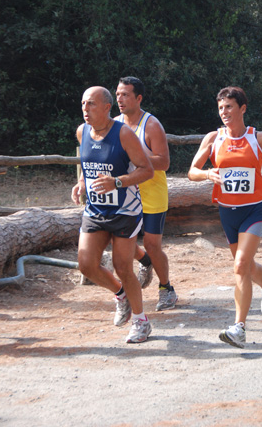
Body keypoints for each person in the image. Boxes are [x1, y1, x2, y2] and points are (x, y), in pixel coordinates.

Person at [188, 86, 262, 349]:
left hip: (254, 209)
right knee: (244, 265)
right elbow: (192, 171)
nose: (224, 112)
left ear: (242, 108)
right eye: (221, 108)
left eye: (229, 106)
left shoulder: (259, 138)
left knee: (241, 264)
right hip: (226, 211)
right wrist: (208, 174)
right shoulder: (213, 138)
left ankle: (239, 328)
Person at [72, 86, 154, 343]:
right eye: (84, 103)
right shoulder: (82, 131)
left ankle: (141, 321)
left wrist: (117, 182)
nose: (86, 109)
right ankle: (121, 295)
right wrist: (82, 182)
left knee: (122, 266)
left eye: (92, 104)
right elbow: (89, 163)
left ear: (107, 107)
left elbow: (147, 170)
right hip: (95, 210)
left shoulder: (124, 134)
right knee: (86, 265)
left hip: (124, 210)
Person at [115, 76, 177, 311]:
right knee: (120, 242)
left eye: (125, 95)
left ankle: (166, 289)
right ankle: (144, 261)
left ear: (138, 98)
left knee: (152, 244)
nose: (120, 99)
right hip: (126, 194)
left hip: (152, 194)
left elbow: (164, 162)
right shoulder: (115, 124)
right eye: (118, 94)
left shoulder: (151, 125)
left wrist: (136, 156)